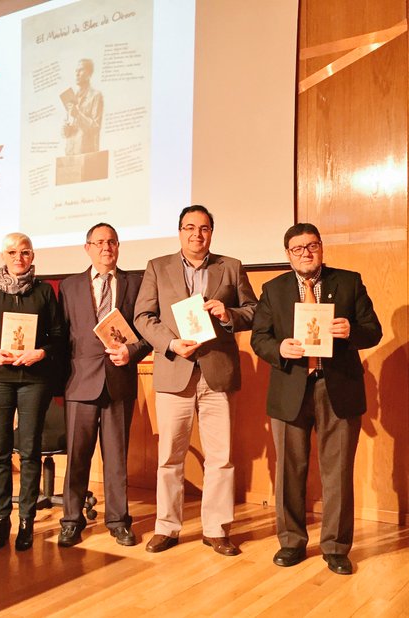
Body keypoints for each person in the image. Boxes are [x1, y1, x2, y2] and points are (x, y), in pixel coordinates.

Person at [250, 223, 382, 575]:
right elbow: (259, 338)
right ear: (288, 254)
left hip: (336, 386)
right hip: (290, 387)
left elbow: (374, 330)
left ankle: (337, 547)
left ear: (321, 248)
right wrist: (279, 347)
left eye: (312, 246)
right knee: (289, 471)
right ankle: (291, 542)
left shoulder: (349, 281)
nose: (306, 253)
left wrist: (352, 331)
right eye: (298, 248)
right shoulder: (273, 289)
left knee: (337, 472)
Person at [134, 205, 257, 555]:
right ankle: (167, 527)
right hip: (175, 371)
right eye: (189, 228)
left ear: (211, 233)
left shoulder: (230, 266)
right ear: (179, 232)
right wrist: (171, 343)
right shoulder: (158, 267)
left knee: (221, 458)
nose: (196, 235)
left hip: (217, 374)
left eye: (203, 229)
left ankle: (216, 529)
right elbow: (143, 316)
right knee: (170, 458)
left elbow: (254, 311)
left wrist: (228, 313)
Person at [58, 222, 151, 547]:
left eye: (111, 242)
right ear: (88, 248)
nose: (106, 247)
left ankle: (118, 520)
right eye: (99, 243)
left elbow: (147, 333)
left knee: (116, 458)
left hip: (119, 380)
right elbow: (62, 336)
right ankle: (71, 520)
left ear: (118, 246)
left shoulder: (135, 283)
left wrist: (133, 352)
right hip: (79, 383)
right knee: (77, 456)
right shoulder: (68, 287)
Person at [0, 233, 63, 551]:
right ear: (3, 255)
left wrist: (41, 352)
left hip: (34, 380)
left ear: (32, 256)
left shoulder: (44, 291)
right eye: (12, 252)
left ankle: (26, 521)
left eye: (24, 252)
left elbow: (59, 336)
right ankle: (1, 520)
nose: (18, 257)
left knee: (30, 451)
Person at [61, 58, 103, 156]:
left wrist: (78, 115)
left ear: (89, 74)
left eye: (81, 70)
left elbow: (96, 128)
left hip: (86, 156)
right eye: (76, 70)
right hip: (69, 155)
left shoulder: (96, 96)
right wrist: (65, 130)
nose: (77, 73)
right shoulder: (71, 97)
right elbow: (68, 130)